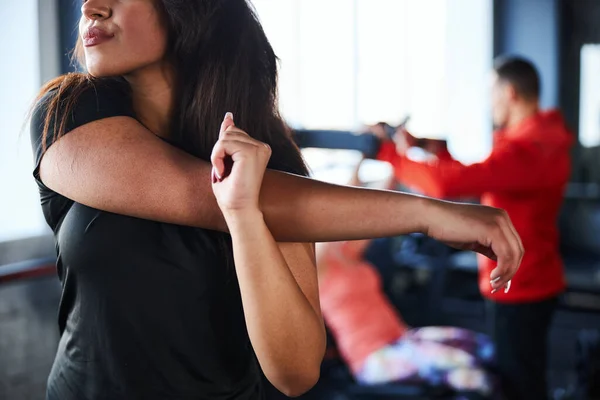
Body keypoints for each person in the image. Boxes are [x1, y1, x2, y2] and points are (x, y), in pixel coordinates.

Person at [29, 1, 521, 399]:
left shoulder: (273, 164)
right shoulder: (67, 114)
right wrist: (427, 214)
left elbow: (296, 372)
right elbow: (201, 193)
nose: (91, 6)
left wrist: (246, 218)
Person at [372, 56, 573, 399]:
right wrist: (427, 146)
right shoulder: (537, 139)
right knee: (522, 374)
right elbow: (482, 174)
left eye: (490, 93)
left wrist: (388, 153)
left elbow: (447, 184)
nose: (487, 103)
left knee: (519, 384)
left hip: (521, 284)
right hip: (527, 277)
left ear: (509, 93)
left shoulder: (530, 149)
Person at [316, 160, 497, 397]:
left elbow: (377, 207)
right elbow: (334, 211)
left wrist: (378, 157)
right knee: (468, 372)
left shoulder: (348, 253)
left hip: (401, 337)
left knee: (483, 348)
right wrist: (354, 176)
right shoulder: (318, 266)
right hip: (373, 357)